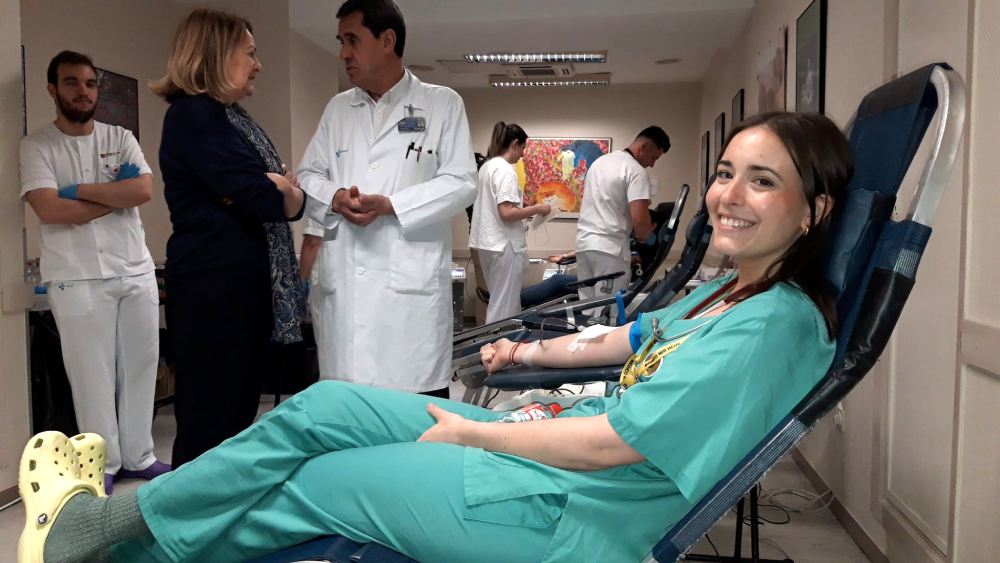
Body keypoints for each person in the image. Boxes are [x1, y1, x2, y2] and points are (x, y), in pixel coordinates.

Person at [16, 111, 852, 563]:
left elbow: (614, 445)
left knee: (316, 481)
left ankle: (113, 550)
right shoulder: (725, 294)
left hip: (567, 513)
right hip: (538, 448)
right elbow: (626, 338)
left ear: (815, 210)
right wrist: (524, 353)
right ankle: (114, 523)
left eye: (762, 180)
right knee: (326, 405)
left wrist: (474, 430)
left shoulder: (776, 324)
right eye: (725, 172)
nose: (727, 194)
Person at [150, 8, 305, 467]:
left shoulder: (229, 118)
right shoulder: (193, 116)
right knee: (209, 424)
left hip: (238, 291)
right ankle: (192, 510)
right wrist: (278, 187)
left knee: (234, 417)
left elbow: (288, 201)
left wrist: (281, 189)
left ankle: (221, 506)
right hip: (212, 294)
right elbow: (258, 196)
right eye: (250, 53)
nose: (258, 65)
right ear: (216, 54)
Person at [297, 0, 476, 397]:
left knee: (412, 418)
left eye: (352, 40)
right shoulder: (338, 109)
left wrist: (392, 205)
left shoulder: (442, 103)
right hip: (346, 299)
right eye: (341, 42)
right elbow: (308, 176)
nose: (343, 53)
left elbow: (463, 181)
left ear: (387, 40)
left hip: (408, 309)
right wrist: (336, 197)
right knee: (346, 415)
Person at [18, 50, 170, 495]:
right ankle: (100, 463)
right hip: (77, 275)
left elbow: (143, 189)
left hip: (134, 268)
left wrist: (77, 193)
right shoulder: (37, 146)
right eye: (71, 82)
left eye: (89, 83)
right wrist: (113, 196)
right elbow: (49, 209)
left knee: (142, 365)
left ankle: (140, 456)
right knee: (91, 375)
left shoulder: (120, 136)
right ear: (52, 89)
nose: (82, 91)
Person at [575, 126, 670, 303]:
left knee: (586, 309)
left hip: (584, 246)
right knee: (608, 312)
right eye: (654, 157)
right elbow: (640, 222)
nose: (652, 164)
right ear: (643, 147)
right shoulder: (635, 171)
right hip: (610, 251)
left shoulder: (599, 163)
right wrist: (649, 236)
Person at [470, 121, 551, 323]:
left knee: (498, 301)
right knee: (504, 305)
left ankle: (502, 339)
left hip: (488, 244)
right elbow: (506, 212)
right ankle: (498, 341)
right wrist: (538, 208)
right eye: (523, 148)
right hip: (503, 246)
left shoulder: (487, 167)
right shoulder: (505, 170)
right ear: (515, 143)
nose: (523, 154)